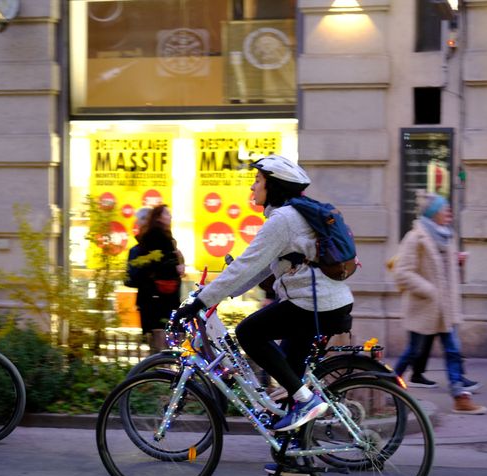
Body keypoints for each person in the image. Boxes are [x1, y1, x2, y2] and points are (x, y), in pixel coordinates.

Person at [172, 155, 353, 435]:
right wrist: (219, 295)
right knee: (289, 377)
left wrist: (200, 301)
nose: (252, 188)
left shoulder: (283, 220)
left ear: (274, 186)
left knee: (249, 333)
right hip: (323, 303)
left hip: (312, 305)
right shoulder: (289, 218)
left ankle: (306, 402)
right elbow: (258, 270)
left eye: (257, 181)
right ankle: (293, 455)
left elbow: (245, 265)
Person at [392, 193, 487, 414]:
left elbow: (440, 269)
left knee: (453, 350)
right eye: (445, 209)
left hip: (446, 309)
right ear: (434, 212)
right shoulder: (416, 237)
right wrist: (429, 290)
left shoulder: (446, 236)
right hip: (425, 308)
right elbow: (402, 272)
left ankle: (460, 398)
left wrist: (455, 261)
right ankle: (387, 385)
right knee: (413, 352)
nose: (449, 213)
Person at [133, 205, 183, 349]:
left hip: (155, 293)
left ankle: (159, 363)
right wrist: (176, 265)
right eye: (167, 213)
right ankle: (161, 364)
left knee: (158, 329)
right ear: (159, 217)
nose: (170, 216)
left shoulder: (157, 234)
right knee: (161, 328)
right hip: (159, 293)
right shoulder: (157, 235)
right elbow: (161, 262)